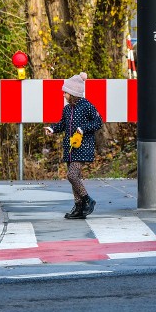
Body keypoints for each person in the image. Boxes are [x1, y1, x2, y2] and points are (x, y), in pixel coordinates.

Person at [44, 72, 103, 219]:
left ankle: (87, 200)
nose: (63, 95)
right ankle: (78, 208)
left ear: (73, 92)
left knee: (72, 175)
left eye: (65, 92)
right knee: (74, 177)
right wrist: (52, 128)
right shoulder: (67, 109)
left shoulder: (87, 106)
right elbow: (62, 124)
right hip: (70, 148)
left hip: (83, 147)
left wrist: (83, 128)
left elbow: (98, 122)